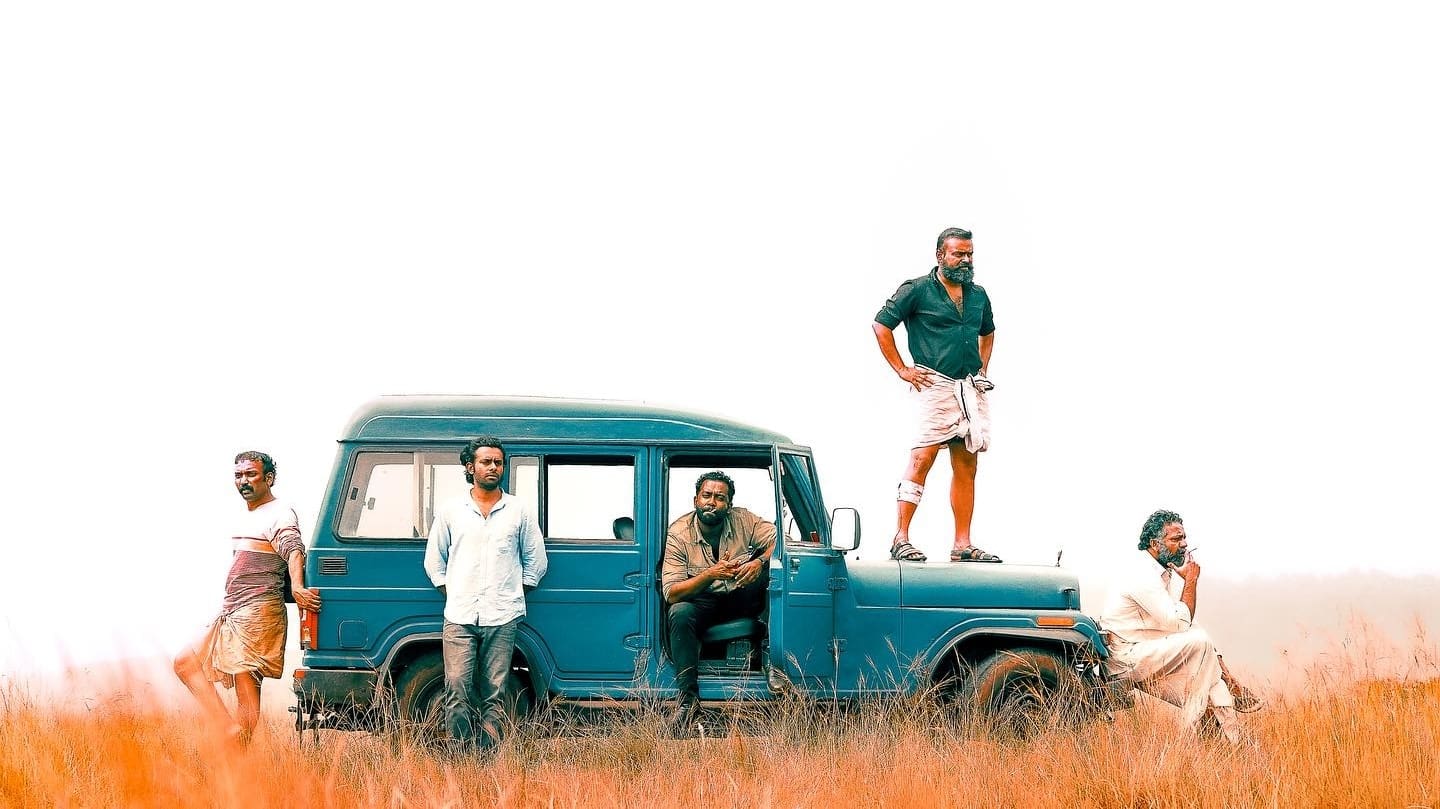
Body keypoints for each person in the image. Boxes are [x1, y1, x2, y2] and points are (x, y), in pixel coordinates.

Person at [174, 451, 322, 746]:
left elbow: (293, 549)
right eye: (238, 475)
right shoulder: (246, 516)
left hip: (258, 611)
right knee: (185, 663)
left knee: (247, 688)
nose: (243, 481)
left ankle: (238, 752)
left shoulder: (280, 512)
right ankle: (229, 731)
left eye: (251, 474)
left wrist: (297, 587)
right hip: (232, 610)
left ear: (269, 478)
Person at [873, 227, 1000, 564]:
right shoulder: (917, 289)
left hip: (968, 387)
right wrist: (903, 369)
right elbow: (881, 325)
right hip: (933, 384)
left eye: (969, 254)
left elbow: (988, 331)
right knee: (922, 458)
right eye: (959, 254)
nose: (966, 260)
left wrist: (983, 370)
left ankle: (962, 543)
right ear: (940, 255)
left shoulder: (978, 294)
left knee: (967, 462)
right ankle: (901, 537)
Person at [424, 436, 547, 751]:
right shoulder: (451, 510)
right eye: (486, 461)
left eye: (498, 462)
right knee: (457, 688)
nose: (493, 467)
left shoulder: (519, 510)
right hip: (459, 616)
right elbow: (434, 562)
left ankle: (488, 760)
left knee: (495, 692)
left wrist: (511, 593)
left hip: (502, 616)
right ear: (470, 467)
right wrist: (454, 593)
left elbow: (536, 561)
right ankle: (460, 759)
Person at [1098, 509, 1262, 745]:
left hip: (1146, 649)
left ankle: (1232, 742)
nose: (1184, 544)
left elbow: (1181, 621)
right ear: (1155, 544)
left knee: (1206, 672)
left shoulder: (1159, 571)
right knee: (1200, 643)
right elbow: (1179, 623)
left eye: (1184, 538)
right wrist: (1191, 580)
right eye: (1176, 539)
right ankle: (1200, 728)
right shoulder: (1141, 574)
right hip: (1126, 656)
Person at [661, 471, 776, 735]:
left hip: (741, 594)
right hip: (704, 600)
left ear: (729, 504)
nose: (712, 502)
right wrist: (710, 574)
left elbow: (781, 541)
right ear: (696, 500)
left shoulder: (744, 520)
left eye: (720, 498)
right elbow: (672, 593)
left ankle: (772, 663)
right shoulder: (678, 533)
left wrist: (759, 562)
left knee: (774, 573)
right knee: (679, 612)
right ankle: (688, 702)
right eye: (707, 496)